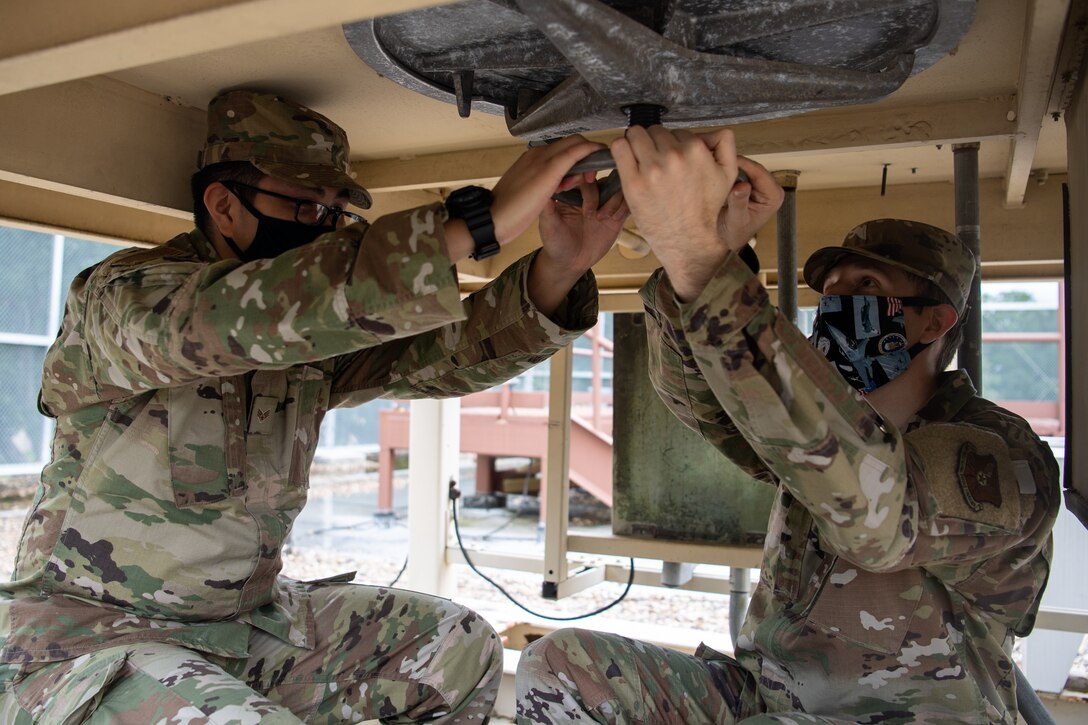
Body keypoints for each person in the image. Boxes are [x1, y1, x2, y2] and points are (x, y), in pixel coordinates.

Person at [0, 89, 629, 723]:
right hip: (89, 643)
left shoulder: (308, 337)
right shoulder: (122, 298)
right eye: (305, 206)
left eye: (335, 213)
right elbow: (229, 319)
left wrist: (561, 266)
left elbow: (438, 353)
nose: (323, 227)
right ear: (223, 204)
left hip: (244, 628)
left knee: (454, 650)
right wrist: (474, 225)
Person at [516, 126, 1061, 724]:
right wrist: (695, 268)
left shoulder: (1004, 454)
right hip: (767, 698)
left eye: (866, 287)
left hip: (903, 717)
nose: (836, 302)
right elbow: (701, 400)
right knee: (561, 664)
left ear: (933, 322)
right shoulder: (810, 428)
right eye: (831, 290)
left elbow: (878, 517)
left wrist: (703, 260)